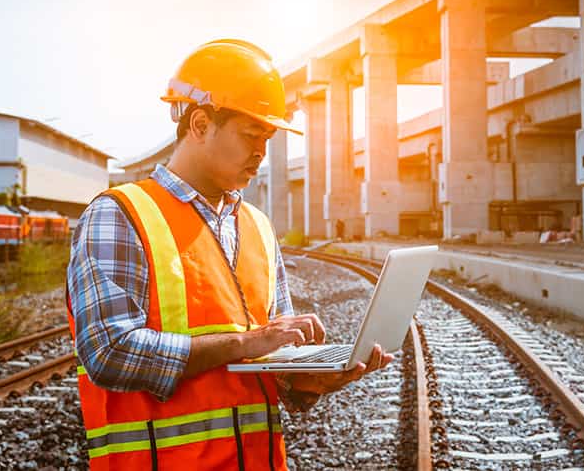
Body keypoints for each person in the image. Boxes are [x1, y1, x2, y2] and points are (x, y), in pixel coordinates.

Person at [66, 39, 392, 470]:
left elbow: (269, 368)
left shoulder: (257, 226)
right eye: (250, 135)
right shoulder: (120, 215)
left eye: (268, 138)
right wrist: (245, 343)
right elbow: (109, 351)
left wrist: (311, 380)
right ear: (200, 124)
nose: (261, 152)